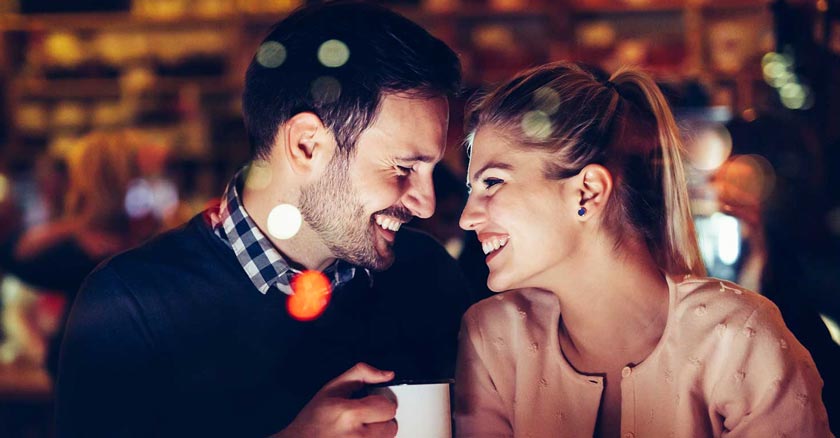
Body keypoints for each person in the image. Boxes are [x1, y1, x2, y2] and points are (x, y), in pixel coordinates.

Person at [57, 2, 470, 437]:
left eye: (432, 171)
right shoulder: (129, 305)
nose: (425, 204)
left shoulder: (427, 275)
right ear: (307, 145)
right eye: (404, 168)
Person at [454, 62, 833, 437]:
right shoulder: (492, 338)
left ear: (588, 191)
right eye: (473, 190)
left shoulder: (737, 339)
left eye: (492, 182)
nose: (466, 218)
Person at [0, 130, 158, 379]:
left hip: (87, 381)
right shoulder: (153, 242)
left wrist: (75, 225)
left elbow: (14, 255)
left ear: (90, 182)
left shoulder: (84, 251)